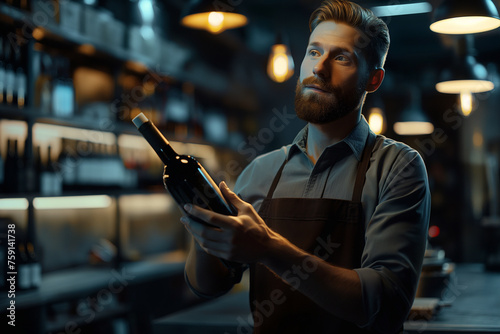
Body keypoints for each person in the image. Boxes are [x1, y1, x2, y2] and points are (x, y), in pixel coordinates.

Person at [174, 1, 430, 333]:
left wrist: (268, 248)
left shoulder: (397, 167)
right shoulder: (259, 172)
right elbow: (208, 286)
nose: (319, 68)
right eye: (313, 52)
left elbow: (383, 302)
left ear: (373, 79)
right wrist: (206, 230)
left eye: (341, 57)